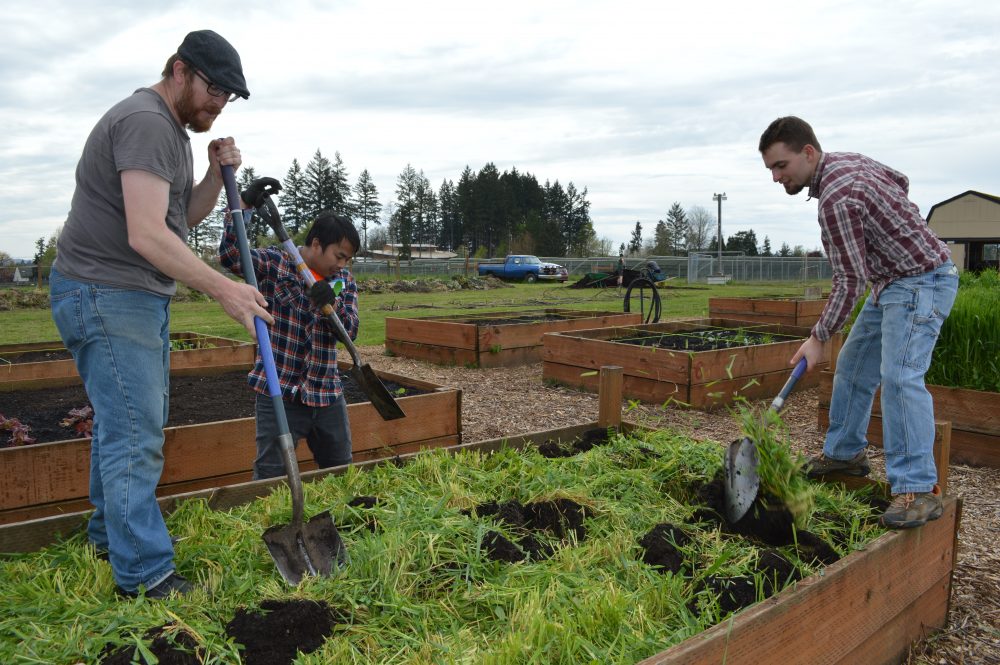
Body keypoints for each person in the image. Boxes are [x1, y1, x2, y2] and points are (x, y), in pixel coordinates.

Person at [49, 30, 272, 599]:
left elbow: (179, 222)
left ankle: (108, 536)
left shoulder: (172, 132)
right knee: (135, 434)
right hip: (106, 291)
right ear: (179, 69)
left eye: (229, 97)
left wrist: (210, 178)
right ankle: (145, 576)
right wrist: (224, 290)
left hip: (127, 293)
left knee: (122, 424)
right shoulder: (146, 122)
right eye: (213, 88)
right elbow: (146, 235)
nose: (218, 103)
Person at [759, 116, 959, 529]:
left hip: (921, 281)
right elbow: (899, 181)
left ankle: (918, 489)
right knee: (852, 368)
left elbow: (849, 280)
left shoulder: (835, 200)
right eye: (771, 170)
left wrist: (818, 337)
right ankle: (845, 454)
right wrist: (894, 229)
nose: (777, 178)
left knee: (900, 376)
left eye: (781, 166)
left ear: (808, 153)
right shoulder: (849, 161)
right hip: (890, 281)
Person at [219, 207, 360, 481]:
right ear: (317, 244)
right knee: (271, 472)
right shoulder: (275, 264)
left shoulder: (343, 282)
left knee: (341, 470)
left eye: (347, 259)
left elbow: (350, 330)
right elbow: (231, 257)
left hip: (326, 392)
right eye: (339, 256)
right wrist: (242, 210)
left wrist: (331, 305)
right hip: (278, 391)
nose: (342, 264)